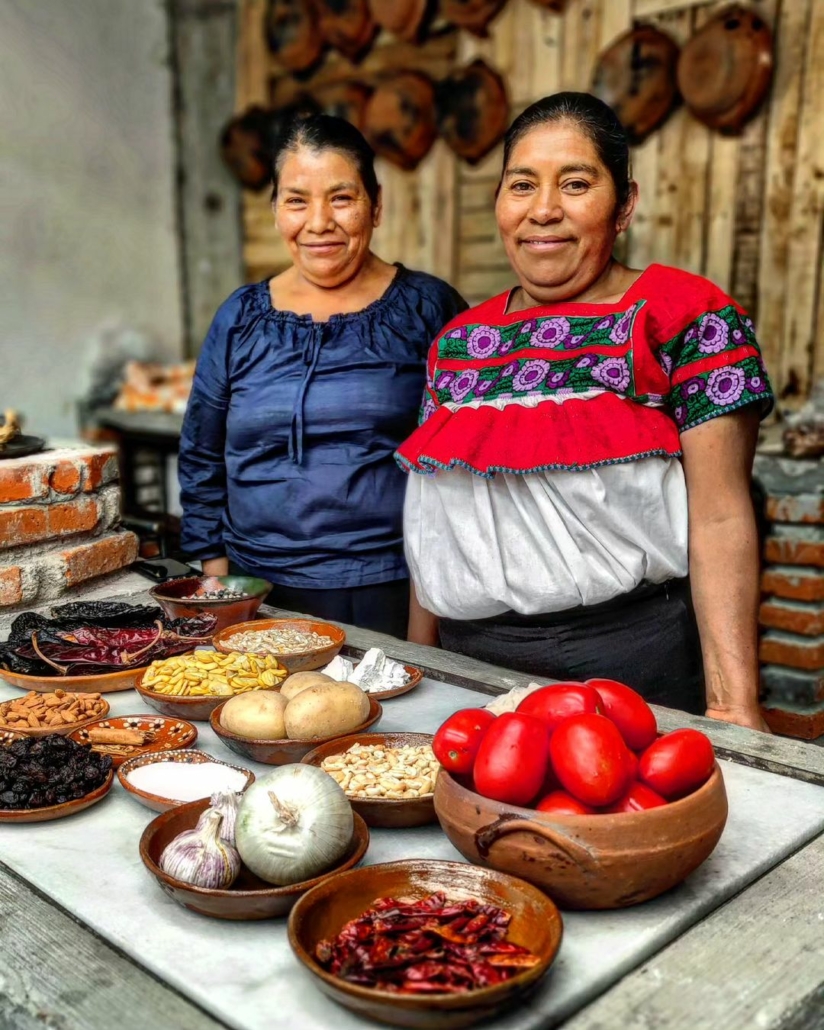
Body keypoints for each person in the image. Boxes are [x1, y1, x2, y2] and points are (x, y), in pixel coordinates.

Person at [397, 93, 773, 730]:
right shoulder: (458, 346)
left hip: (629, 665)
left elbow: (719, 515)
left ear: (623, 204)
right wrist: (417, 670)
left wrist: (734, 705)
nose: (544, 210)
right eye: (522, 185)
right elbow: (438, 531)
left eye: (576, 183)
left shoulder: (684, 316)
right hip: (471, 673)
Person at [179, 115, 466, 637]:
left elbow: (457, 475)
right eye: (296, 200)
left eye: (341, 198)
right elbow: (202, 455)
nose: (318, 223)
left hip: (390, 590)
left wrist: (426, 633)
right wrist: (220, 590)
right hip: (255, 590)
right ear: (274, 210)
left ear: (375, 205)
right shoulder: (240, 317)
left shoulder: (429, 310)